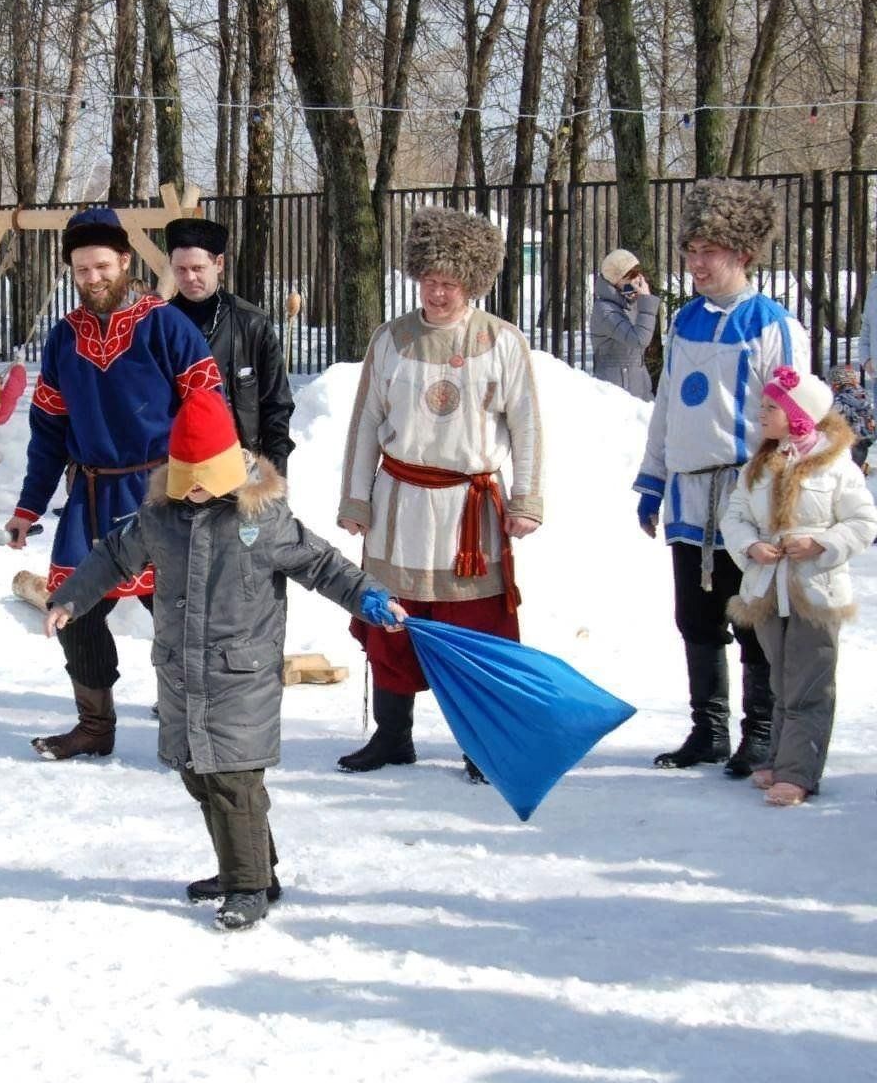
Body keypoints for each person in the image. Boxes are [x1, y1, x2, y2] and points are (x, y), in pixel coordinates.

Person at [44, 391, 406, 928]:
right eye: (182, 478)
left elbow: (324, 565)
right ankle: (255, 866)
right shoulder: (159, 517)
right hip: (182, 671)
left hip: (242, 673)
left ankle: (248, 885)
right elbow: (113, 555)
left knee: (234, 781)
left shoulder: (263, 519)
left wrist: (370, 597)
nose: (191, 491)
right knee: (199, 774)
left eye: (202, 479)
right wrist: (72, 597)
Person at [1, 207, 221, 761]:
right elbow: (48, 431)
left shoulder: (166, 325)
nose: (93, 278)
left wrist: (210, 485)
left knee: (178, 611)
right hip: (91, 497)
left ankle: (201, 729)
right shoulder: (62, 338)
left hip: (161, 493)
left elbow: (208, 411)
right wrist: (29, 506)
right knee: (72, 607)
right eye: (81, 270)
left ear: (124, 260)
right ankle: (95, 727)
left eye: (102, 265)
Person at [335, 206, 544, 783]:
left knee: (473, 630)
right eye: (429, 279)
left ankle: (480, 743)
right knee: (392, 621)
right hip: (400, 503)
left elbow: (526, 424)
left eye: (450, 282)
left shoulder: (502, 341)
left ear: (472, 283)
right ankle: (393, 735)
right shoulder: (391, 339)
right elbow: (365, 422)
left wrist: (526, 501)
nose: (437, 292)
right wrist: (356, 500)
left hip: (467, 512)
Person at [633, 179, 811, 776]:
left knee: (751, 613)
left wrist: (779, 492)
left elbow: (795, 415)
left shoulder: (772, 324)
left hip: (745, 494)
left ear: (742, 254)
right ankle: (706, 730)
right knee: (696, 614)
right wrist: (653, 479)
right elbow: (665, 407)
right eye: (691, 250)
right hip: (689, 493)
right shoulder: (683, 322)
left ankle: (759, 731)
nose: (697, 262)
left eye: (710, 250)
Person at [719, 366, 877, 805]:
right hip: (768, 591)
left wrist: (821, 543)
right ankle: (779, 758)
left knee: (810, 684)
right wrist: (751, 546)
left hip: (816, 592)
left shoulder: (836, 468)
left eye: (772, 407)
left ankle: (798, 773)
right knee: (782, 683)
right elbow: (734, 517)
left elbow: (864, 522)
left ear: (799, 414)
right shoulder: (760, 465)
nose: (762, 413)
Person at [166, 217, 296, 474]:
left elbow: (276, 406)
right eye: (180, 269)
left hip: (240, 464)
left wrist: (275, 477)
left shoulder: (253, 324)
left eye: (198, 268)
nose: (189, 277)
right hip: (177, 468)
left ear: (219, 264)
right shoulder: (158, 326)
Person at [588, 248, 660, 401]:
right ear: (615, 281)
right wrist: (646, 302)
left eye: (638, 273)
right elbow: (639, 340)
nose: (636, 280)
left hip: (639, 387)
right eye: (630, 276)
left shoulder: (631, 304)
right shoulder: (604, 310)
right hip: (615, 392)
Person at [829, 365, 874, 469]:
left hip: (848, 443)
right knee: (855, 465)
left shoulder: (840, 400)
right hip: (865, 441)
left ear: (835, 385)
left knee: (846, 468)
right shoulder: (864, 396)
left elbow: (833, 420)